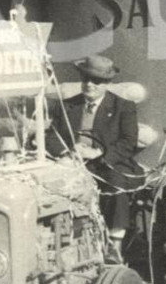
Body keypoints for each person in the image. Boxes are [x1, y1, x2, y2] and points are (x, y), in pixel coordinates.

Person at [48, 54, 142, 247]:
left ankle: (115, 245)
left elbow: (128, 142)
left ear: (107, 84)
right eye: (86, 79)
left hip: (107, 164)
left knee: (115, 187)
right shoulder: (66, 106)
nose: (89, 84)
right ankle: (61, 242)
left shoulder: (123, 107)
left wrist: (98, 154)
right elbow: (51, 137)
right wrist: (68, 152)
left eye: (96, 81)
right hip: (72, 164)